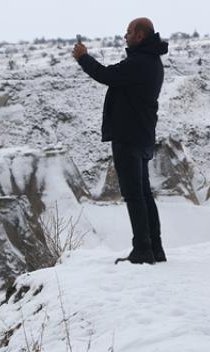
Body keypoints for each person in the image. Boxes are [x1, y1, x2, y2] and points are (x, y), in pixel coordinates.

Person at [73, 18, 170, 264]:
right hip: (143, 135)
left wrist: (83, 57)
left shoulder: (139, 62)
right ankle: (155, 248)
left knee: (134, 195)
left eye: (128, 32)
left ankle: (142, 250)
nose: (124, 35)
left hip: (128, 136)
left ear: (139, 35)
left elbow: (106, 75)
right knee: (144, 194)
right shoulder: (152, 62)